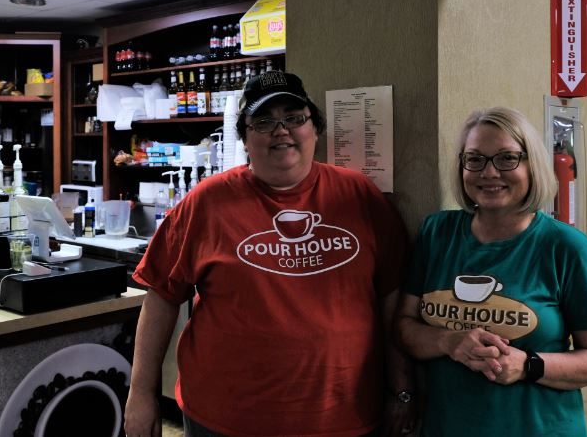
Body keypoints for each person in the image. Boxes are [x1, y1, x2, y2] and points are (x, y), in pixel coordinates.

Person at [125, 70, 415, 437]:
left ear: (315, 129)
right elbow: (161, 297)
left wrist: (401, 388)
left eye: (294, 118)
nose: (281, 130)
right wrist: (141, 393)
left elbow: (393, 297)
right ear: (245, 139)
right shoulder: (207, 203)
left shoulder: (360, 196)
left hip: (345, 416)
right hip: (225, 419)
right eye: (264, 121)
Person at [396, 107, 587, 436]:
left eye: (506, 158)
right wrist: (449, 341)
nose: (489, 172)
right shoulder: (436, 233)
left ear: (532, 165)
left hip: (538, 427)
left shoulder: (566, 247)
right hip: (448, 426)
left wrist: (528, 365)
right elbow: (403, 328)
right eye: (475, 159)